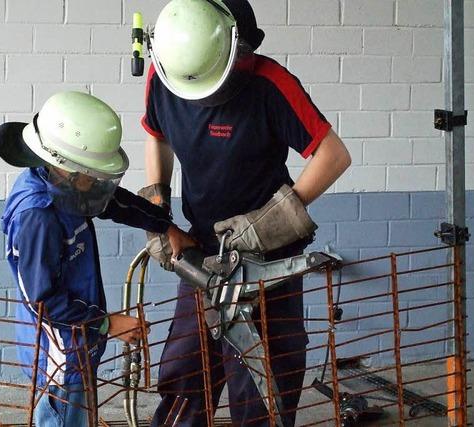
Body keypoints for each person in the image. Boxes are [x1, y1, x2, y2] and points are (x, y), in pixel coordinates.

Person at [136, 0, 352, 425]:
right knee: (186, 371)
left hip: (268, 256)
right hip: (202, 251)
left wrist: (271, 220)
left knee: (261, 379)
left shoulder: (270, 83)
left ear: (236, 49)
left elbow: (334, 155)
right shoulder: (165, 75)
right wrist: (158, 206)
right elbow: (156, 135)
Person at [0, 91, 195, 427]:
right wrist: (107, 324)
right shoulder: (38, 217)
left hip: (79, 336)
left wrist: (165, 226)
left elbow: (114, 202)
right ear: (66, 168)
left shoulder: (67, 187)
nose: (98, 181)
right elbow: (41, 300)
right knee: (65, 416)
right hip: (60, 351)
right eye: (92, 173)